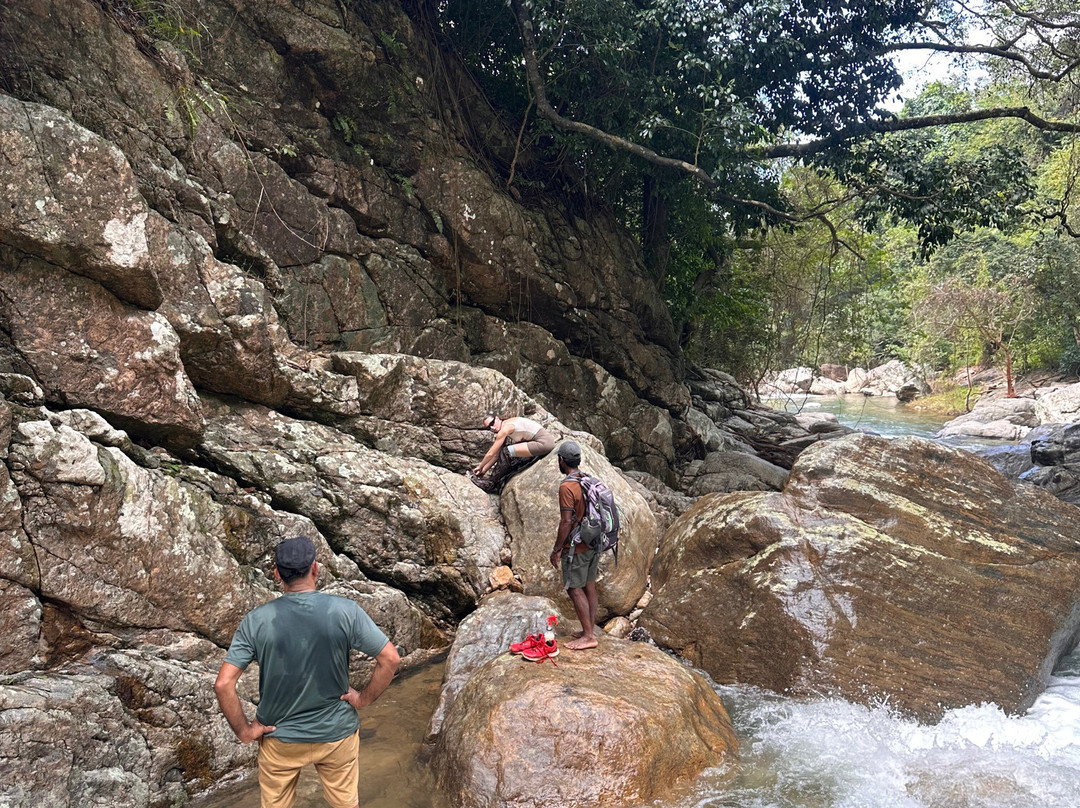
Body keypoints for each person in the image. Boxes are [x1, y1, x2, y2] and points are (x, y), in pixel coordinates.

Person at [214, 536, 401, 808]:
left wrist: (244, 731)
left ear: (277, 574)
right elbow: (390, 659)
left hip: (279, 737)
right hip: (337, 734)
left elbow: (223, 684)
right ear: (315, 568)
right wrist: (363, 699)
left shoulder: (256, 620)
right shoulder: (345, 611)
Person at [549, 441, 599, 651]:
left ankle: (588, 636)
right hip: (593, 541)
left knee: (574, 588)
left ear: (562, 460)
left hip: (577, 547)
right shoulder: (587, 479)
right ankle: (589, 630)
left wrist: (557, 549)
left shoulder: (567, 486)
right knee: (589, 585)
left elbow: (566, 522)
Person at [468, 413, 555, 493]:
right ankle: (497, 481)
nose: (492, 428)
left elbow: (491, 453)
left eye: (492, 423)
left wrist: (480, 466)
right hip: (542, 442)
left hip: (544, 443)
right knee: (508, 452)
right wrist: (484, 470)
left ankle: (490, 484)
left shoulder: (505, 429)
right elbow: (496, 455)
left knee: (507, 451)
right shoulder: (505, 425)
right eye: (488, 428)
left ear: (497, 418)